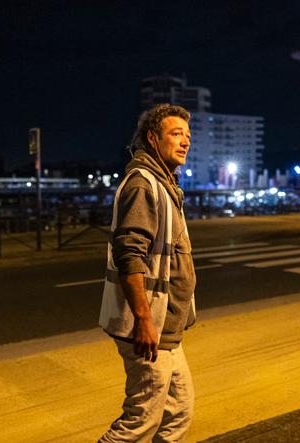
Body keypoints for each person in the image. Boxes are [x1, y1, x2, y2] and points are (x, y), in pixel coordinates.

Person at [98, 103, 197, 442]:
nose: (185, 141)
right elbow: (129, 254)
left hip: (166, 327)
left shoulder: (165, 183)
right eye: (176, 134)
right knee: (140, 421)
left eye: (187, 135)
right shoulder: (144, 185)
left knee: (177, 413)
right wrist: (143, 320)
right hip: (149, 326)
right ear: (153, 138)